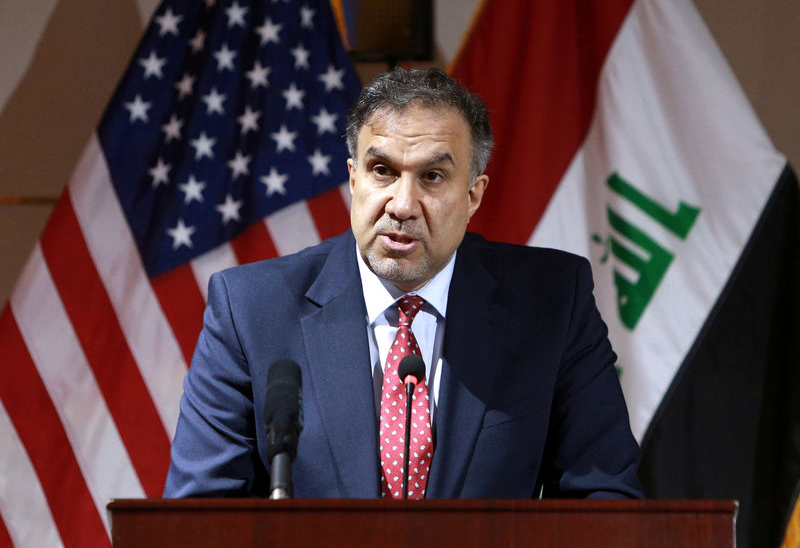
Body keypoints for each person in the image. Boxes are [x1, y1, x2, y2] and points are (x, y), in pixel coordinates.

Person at [163, 68, 643, 500]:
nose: (402, 204)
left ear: (473, 195)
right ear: (353, 179)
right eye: (382, 171)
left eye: (432, 177)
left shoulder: (551, 303)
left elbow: (604, 500)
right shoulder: (251, 309)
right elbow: (200, 521)